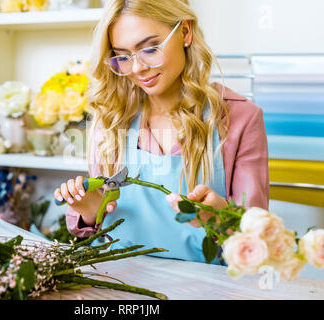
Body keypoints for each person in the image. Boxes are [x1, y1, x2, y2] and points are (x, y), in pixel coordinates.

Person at [53, 0, 269, 264]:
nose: (137, 68)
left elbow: (256, 236)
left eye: (150, 49)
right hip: (121, 281)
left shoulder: (240, 118)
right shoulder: (111, 118)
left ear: (185, 32)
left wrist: (221, 218)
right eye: (122, 56)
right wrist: (90, 211)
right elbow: (96, 228)